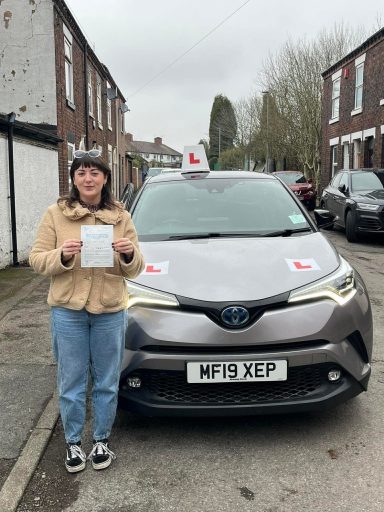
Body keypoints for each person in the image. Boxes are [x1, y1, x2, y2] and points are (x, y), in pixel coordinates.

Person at [29, 149, 145, 473]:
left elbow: (136, 268)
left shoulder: (121, 216)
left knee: (107, 380)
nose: (88, 178)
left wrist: (127, 254)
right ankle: (73, 443)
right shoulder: (56, 214)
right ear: (74, 179)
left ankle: (101, 440)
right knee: (72, 380)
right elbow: (36, 259)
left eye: (94, 172)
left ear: (105, 178)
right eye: (81, 173)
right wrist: (62, 256)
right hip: (68, 310)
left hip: (109, 309)